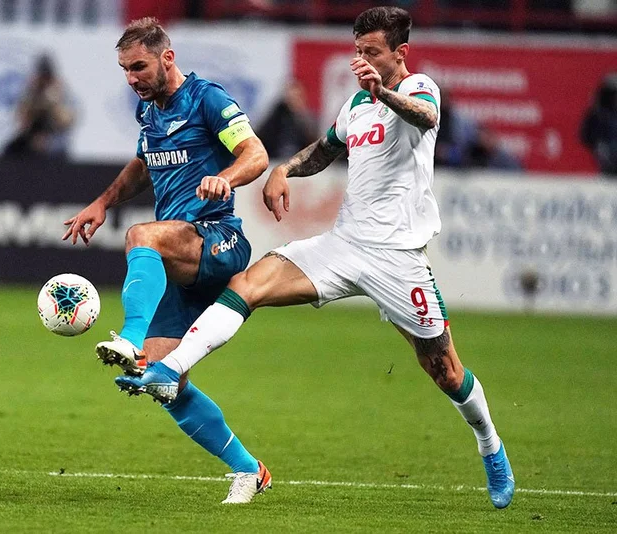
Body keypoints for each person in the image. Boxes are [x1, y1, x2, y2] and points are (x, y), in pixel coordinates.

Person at [116, 6, 515, 510]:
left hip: (398, 258)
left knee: (445, 371)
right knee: (246, 286)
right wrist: (284, 170)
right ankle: (169, 369)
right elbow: (325, 150)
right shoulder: (356, 106)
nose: (361, 59)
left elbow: (426, 118)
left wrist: (383, 91)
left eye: (372, 52)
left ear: (400, 53)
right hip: (343, 245)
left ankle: (490, 445)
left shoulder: (419, 89)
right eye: (358, 50)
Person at [62, 18, 271, 504]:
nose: (131, 78)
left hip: (218, 239)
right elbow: (143, 164)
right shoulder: (148, 111)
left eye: (138, 66)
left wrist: (227, 178)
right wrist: (102, 202)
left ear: (167, 58)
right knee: (164, 382)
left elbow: (256, 154)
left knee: (141, 236)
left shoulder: (207, 98)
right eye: (124, 69)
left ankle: (130, 338)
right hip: (180, 256)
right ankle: (250, 470)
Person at [3, 54, 75, 159]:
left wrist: (53, 102)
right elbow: (22, 120)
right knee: (11, 149)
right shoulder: (30, 92)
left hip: (54, 137)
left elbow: (66, 120)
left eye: (47, 77)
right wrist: (35, 99)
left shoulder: (63, 93)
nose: (44, 81)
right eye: (42, 77)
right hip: (31, 137)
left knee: (53, 147)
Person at [257, 79, 319, 159]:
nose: (294, 100)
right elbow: (263, 136)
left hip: (299, 159)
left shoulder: (307, 119)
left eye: (297, 96)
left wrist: (301, 116)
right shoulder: (276, 117)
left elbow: (314, 143)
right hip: (275, 159)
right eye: (292, 96)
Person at [580, 73, 617, 176]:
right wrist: (599, 146)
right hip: (608, 164)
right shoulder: (597, 115)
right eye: (613, 95)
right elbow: (586, 135)